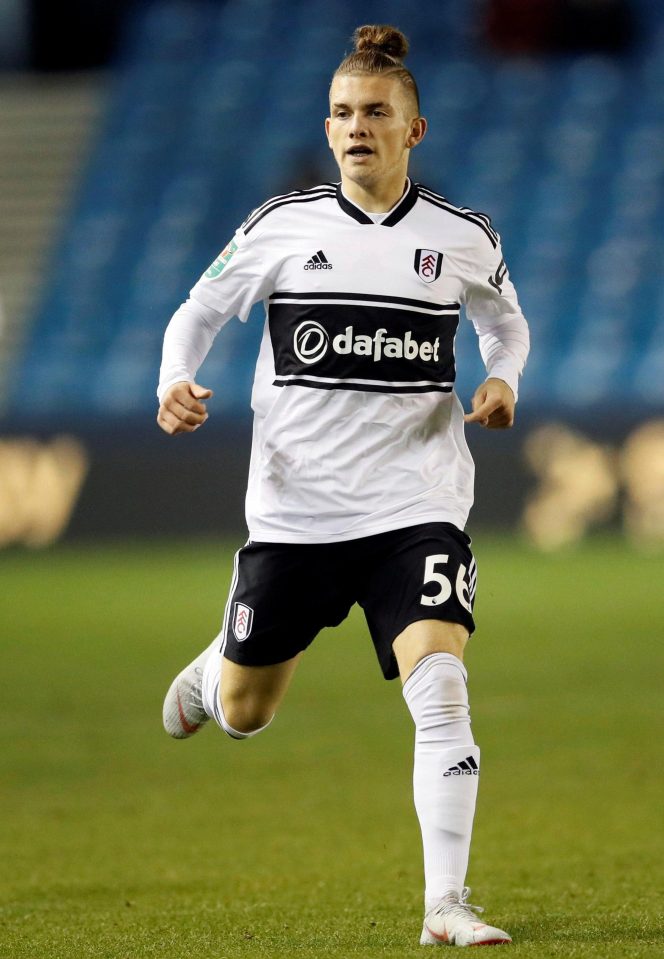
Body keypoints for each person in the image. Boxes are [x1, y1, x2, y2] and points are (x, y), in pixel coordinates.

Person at [157, 24, 529, 948]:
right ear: (327, 131)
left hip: (417, 506)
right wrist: (173, 378)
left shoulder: (462, 239)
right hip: (297, 515)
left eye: (375, 112)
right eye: (341, 113)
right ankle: (215, 671)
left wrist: (502, 380)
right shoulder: (281, 228)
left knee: (441, 684)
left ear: (415, 129)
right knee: (247, 714)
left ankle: (445, 903)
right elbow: (198, 309)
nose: (356, 126)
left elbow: (506, 325)